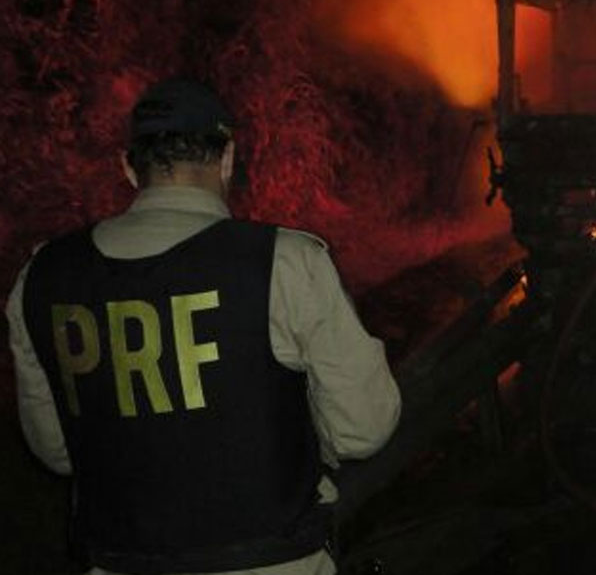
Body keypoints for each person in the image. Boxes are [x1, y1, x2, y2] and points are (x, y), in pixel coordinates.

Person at [6, 77, 401, 574]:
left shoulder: (43, 276)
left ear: (129, 168)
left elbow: (56, 452)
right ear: (228, 157)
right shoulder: (285, 261)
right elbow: (363, 429)